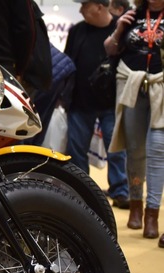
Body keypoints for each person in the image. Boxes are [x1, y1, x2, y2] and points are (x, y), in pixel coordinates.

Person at [106, 0, 164, 247]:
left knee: (157, 150)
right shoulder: (133, 14)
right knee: (135, 150)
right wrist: (119, 28)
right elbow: (110, 49)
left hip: (160, 87)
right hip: (131, 84)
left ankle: (153, 213)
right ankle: (136, 208)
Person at [65, 0, 130, 209]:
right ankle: (83, 191)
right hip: (80, 101)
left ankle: (120, 191)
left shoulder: (121, 29)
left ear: (99, 7)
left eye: (85, 5)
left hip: (112, 102)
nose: (80, 9)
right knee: (76, 150)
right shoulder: (77, 31)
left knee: (117, 150)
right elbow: (67, 62)